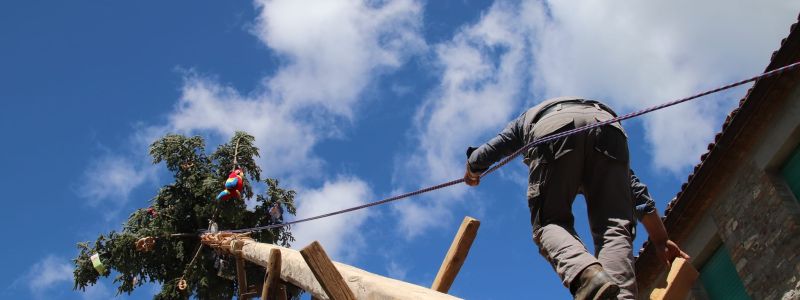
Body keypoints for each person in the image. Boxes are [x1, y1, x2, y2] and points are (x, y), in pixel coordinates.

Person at [464, 97, 689, 300]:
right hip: (608, 126)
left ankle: (588, 276)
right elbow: (636, 191)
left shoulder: (524, 120)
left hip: (552, 124)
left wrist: (472, 170)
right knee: (614, 225)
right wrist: (660, 239)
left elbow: (488, 151)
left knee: (549, 223)